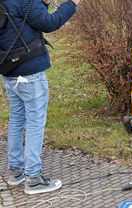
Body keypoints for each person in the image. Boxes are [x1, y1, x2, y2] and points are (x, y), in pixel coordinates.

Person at [0, 0, 80, 195]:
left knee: (17, 120)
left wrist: (41, 3)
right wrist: (71, 3)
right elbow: (50, 23)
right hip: (30, 74)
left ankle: (16, 171)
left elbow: (27, 19)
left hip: (10, 72)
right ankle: (33, 178)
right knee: (35, 123)